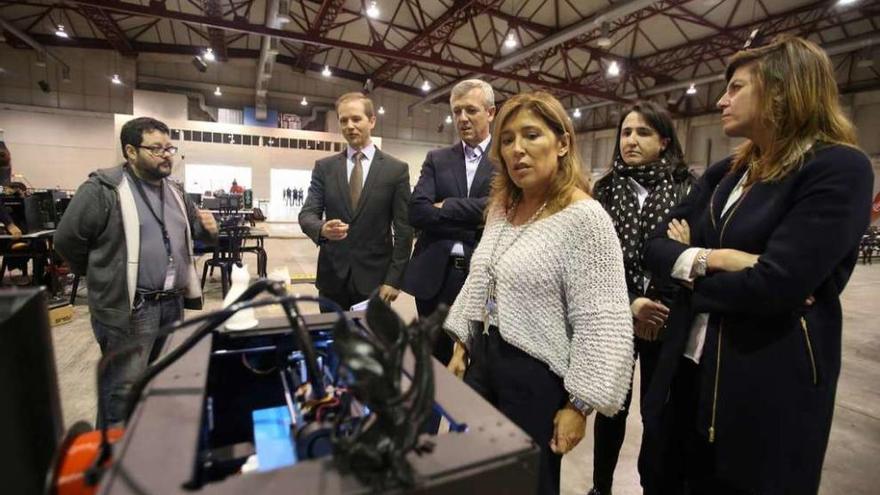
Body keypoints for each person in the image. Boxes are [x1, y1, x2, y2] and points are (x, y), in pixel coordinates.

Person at [642, 35, 873, 494]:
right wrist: (715, 259)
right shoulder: (725, 172)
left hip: (763, 387)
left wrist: (689, 269)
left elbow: (775, 285)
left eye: (736, 88)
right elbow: (654, 246)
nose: (722, 99)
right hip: (685, 373)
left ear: (783, 90)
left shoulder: (838, 168)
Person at [444, 91, 634, 494]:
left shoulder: (584, 218)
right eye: (508, 139)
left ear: (563, 143)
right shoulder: (502, 208)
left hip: (534, 378)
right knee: (475, 476)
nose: (518, 150)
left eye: (531, 135)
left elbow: (602, 320)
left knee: (527, 483)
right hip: (485, 360)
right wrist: (461, 343)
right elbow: (480, 277)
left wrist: (579, 406)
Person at [54, 117, 218, 426]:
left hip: (171, 303)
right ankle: (114, 459)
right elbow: (66, 240)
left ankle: (145, 447)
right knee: (122, 390)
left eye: (169, 147)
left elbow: (194, 235)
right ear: (130, 151)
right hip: (132, 308)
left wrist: (210, 230)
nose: (166, 154)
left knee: (159, 381)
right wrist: (102, 275)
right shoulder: (103, 189)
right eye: (156, 148)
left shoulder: (176, 192)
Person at [588, 101, 696, 495]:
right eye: (626, 132)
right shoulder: (605, 190)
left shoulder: (687, 188)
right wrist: (632, 302)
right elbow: (596, 259)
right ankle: (601, 486)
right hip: (616, 314)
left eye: (643, 132)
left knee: (658, 414)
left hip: (665, 317)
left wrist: (658, 309)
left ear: (664, 141)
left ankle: (654, 485)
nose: (631, 140)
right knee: (611, 407)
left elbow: (687, 253)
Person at [403, 79, 496, 364]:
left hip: (484, 276)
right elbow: (417, 211)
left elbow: (499, 211)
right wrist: (474, 217)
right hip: (433, 278)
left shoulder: (506, 160)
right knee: (433, 364)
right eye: (457, 112)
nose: (462, 118)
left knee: (479, 362)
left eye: (471, 110)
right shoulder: (437, 159)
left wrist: (447, 206)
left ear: (491, 112)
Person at [299, 92, 413, 310]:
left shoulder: (395, 170)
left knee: (371, 343)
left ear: (372, 121)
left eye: (356, 119)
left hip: (375, 282)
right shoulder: (325, 168)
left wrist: (394, 279)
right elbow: (307, 214)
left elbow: (404, 229)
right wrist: (322, 228)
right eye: (343, 120)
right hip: (332, 279)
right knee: (330, 342)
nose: (349, 126)